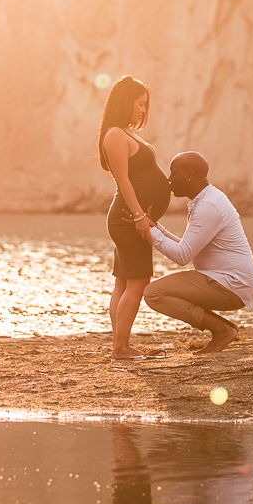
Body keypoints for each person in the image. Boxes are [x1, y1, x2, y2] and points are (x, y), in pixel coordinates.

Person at [138, 152, 253, 354]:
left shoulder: (208, 205)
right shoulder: (207, 200)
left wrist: (149, 232)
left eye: (174, 173)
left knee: (154, 293)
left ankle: (221, 330)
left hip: (232, 284)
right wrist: (155, 227)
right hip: (228, 281)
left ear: (190, 175)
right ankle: (225, 329)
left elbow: (183, 256)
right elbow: (189, 247)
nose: (169, 180)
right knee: (156, 292)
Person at [98, 76, 172, 359]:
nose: (143, 110)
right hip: (128, 219)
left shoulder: (126, 133)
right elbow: (124, 181)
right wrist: (140, 216)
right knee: (138, 281)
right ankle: (120, 347)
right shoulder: (115, 134)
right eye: (139, 104)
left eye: (145, 105)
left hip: (132, 217)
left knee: (123, 282)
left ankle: (120, 343)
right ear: (125, 101)